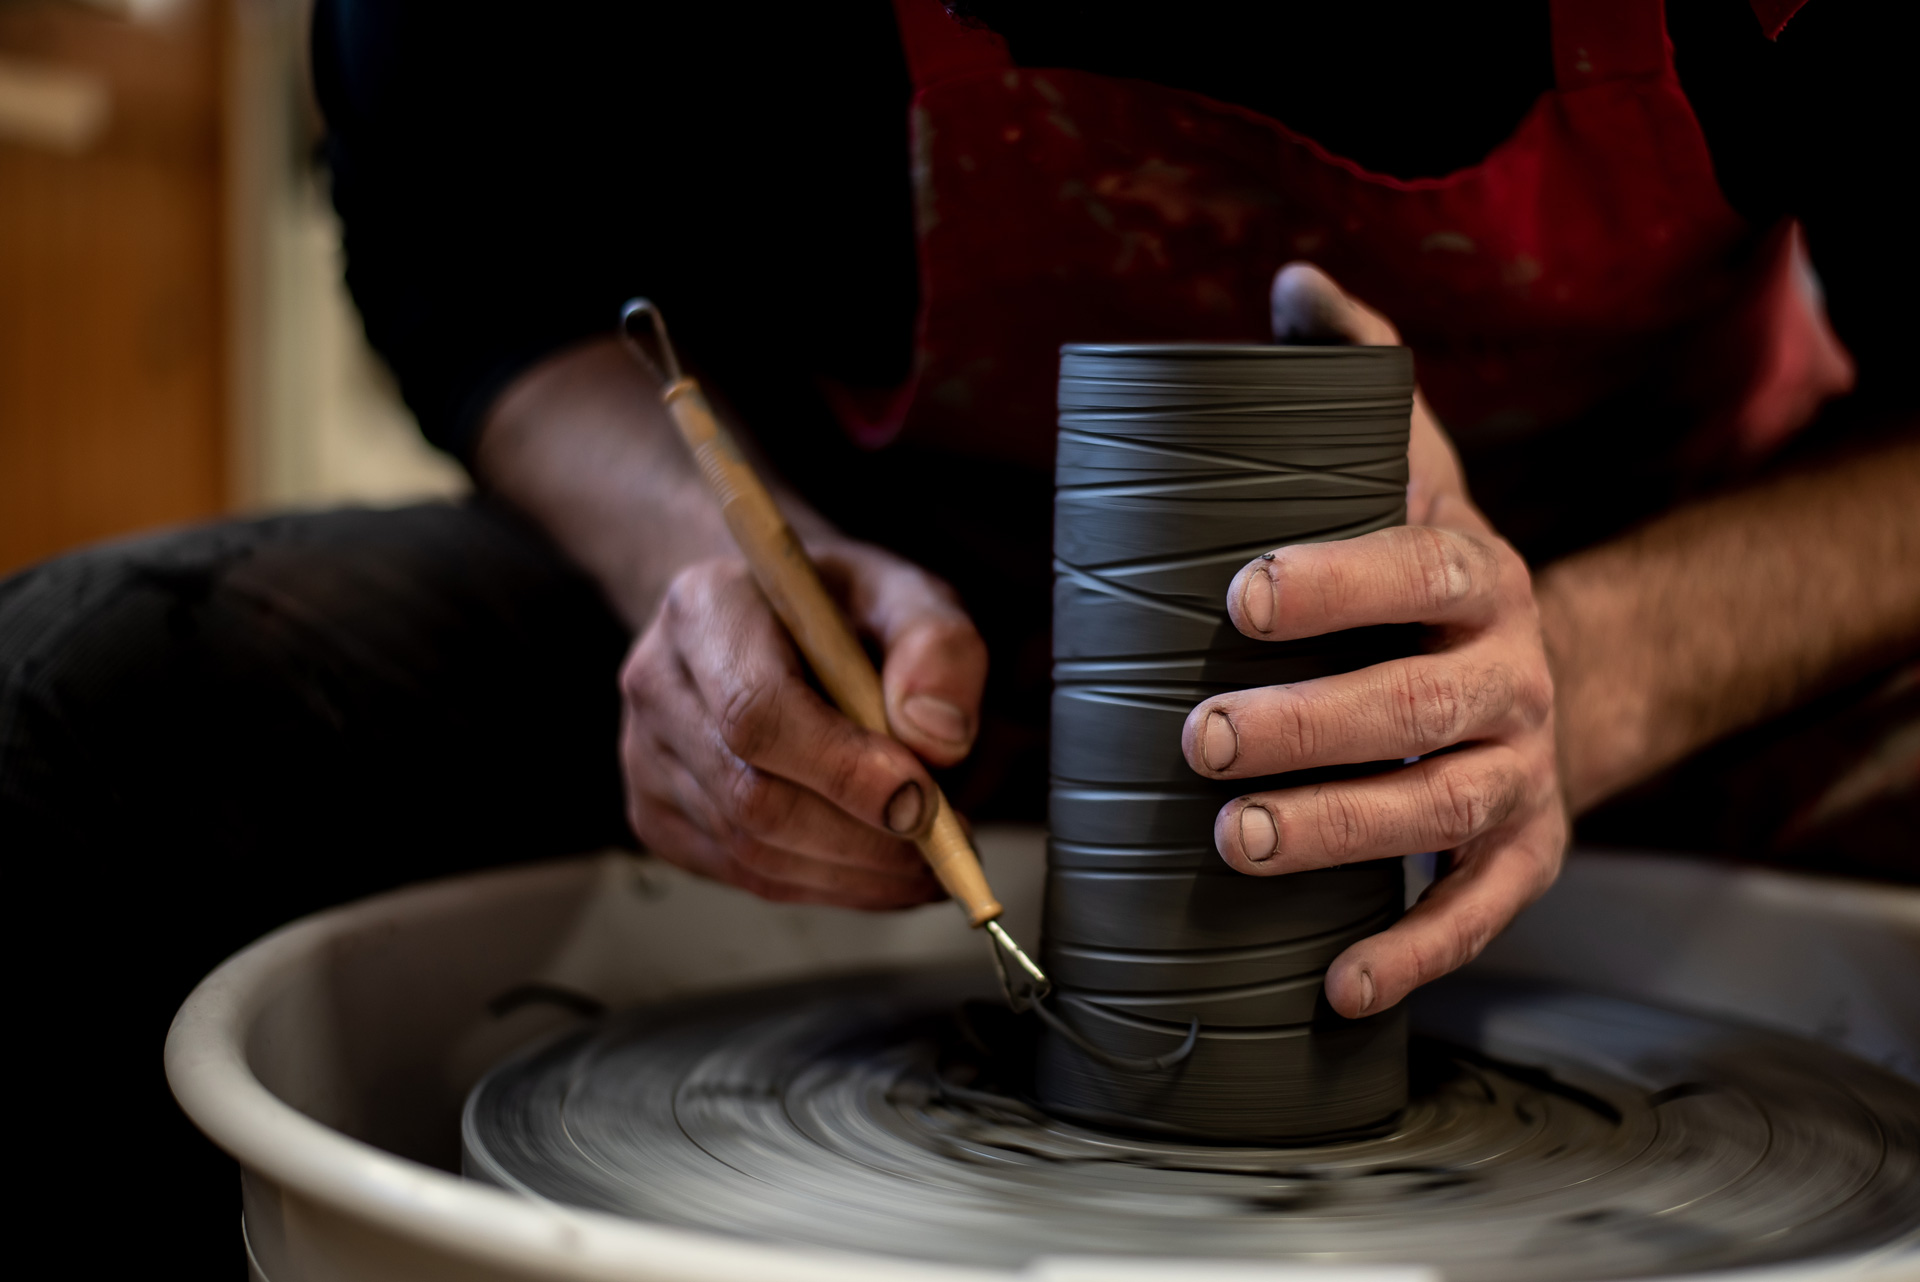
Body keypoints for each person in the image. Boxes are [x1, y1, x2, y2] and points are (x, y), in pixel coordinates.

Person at [2, 0, 1913, 1272]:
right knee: (106, 701)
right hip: (886, 648)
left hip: (1654, 596)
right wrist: (706, 564)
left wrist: (1595, 669)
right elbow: (459, 234)